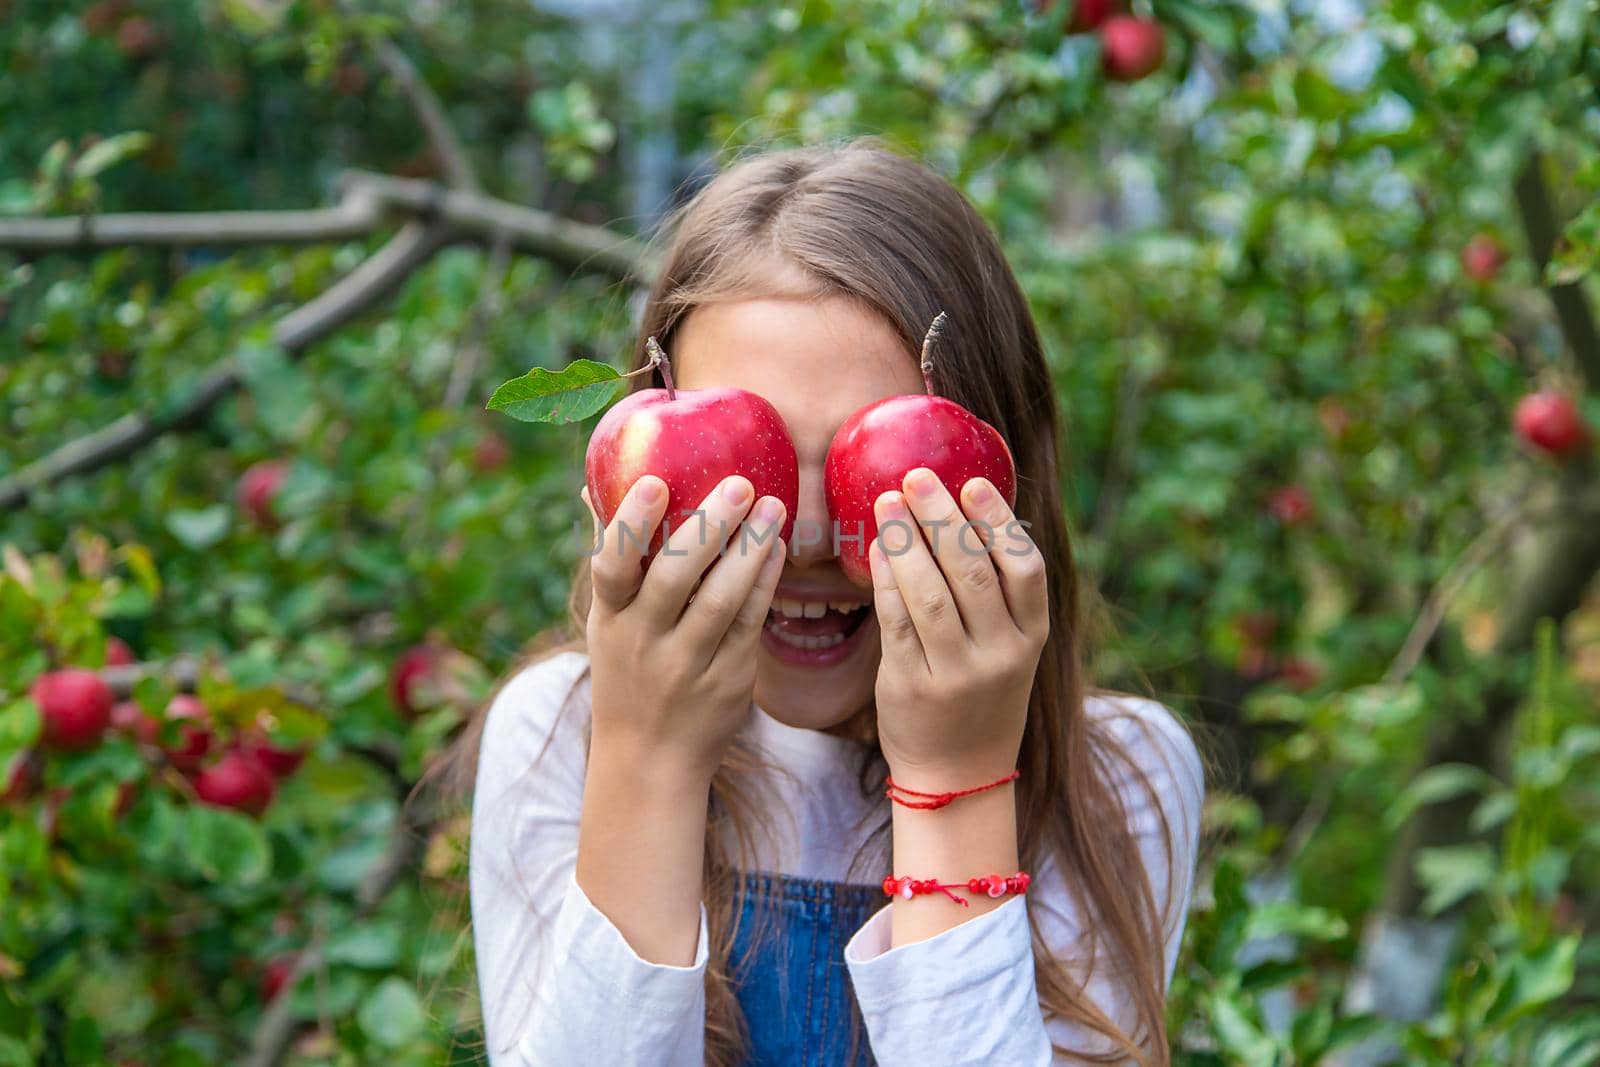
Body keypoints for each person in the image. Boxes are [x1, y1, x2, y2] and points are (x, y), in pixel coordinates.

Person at [464, 138, 1204, 1066]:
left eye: (879, 460)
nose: (807, 535)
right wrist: (645, 756)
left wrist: (958, 778)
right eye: (751, 457)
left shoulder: (1116, 781)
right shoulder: (561, 737)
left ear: (1000, 474)